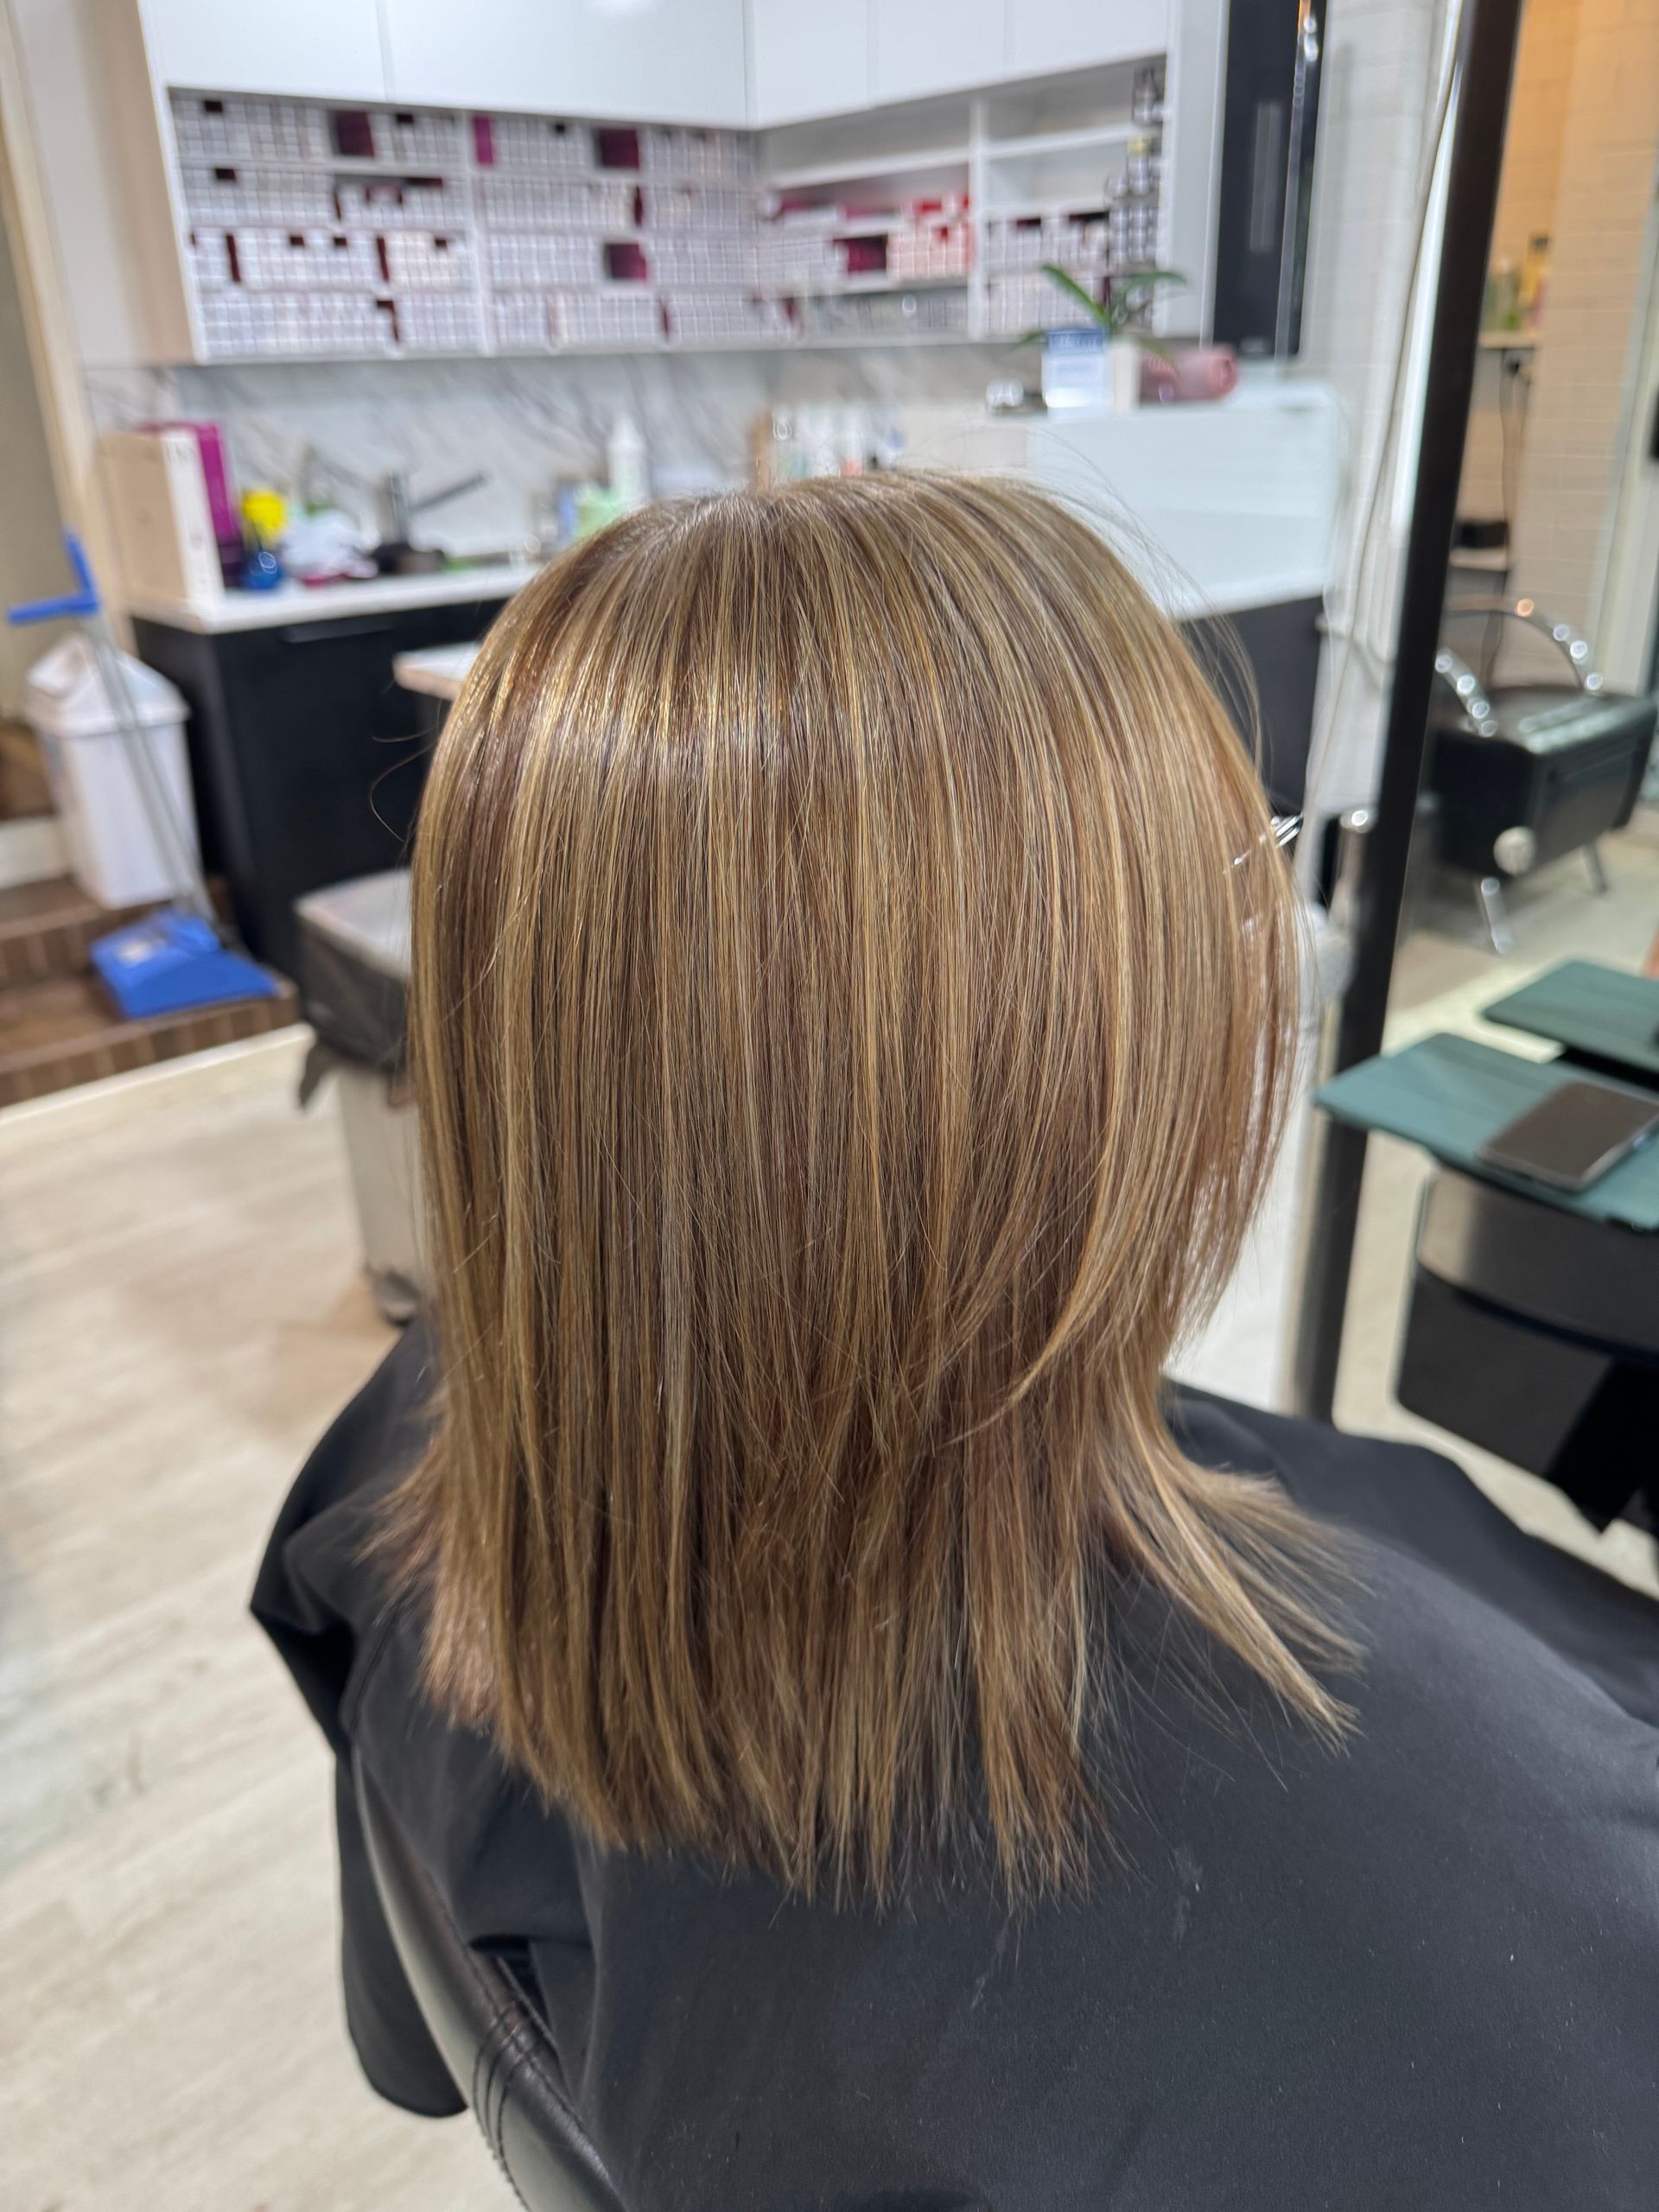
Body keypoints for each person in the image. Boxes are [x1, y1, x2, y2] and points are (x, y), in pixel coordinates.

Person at [257, 475, 1659, 2209]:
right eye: (1243, 878)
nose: (1262, 937)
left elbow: (431, 2039)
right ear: (1087, 1049)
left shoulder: (400, 1446)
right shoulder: (1533, 1879)